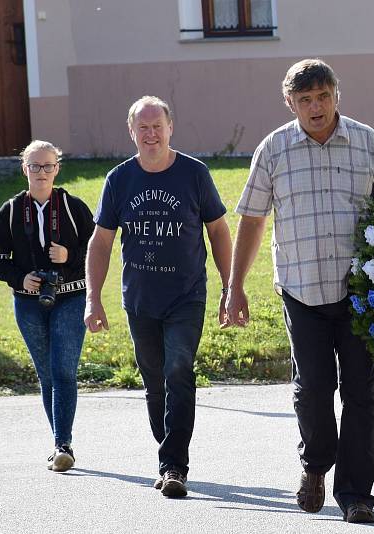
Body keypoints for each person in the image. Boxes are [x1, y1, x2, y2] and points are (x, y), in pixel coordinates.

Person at [224, 59, 374, 524]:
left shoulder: (366, 142)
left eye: (322, 97)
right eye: (304, 100)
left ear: (337, 94)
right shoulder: (274, 148)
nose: (315, 107)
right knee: (313, 389)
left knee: (360, 392)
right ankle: (316, 465)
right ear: (290, 102)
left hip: (360, 291)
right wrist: (235, 286)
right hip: (301, 289)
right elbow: (253, 219)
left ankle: (356, 494)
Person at [84, 96, 232, 498]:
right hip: (140, 300)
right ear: (132, 132)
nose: (151, 134)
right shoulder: (119, 180)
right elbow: (100, 243)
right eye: (143, 128)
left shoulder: (194, 174)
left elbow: (219, 231)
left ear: (170, 128)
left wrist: (229, 286)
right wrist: (92, 298)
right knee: (154, 380)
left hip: (186, 296)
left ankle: (174, 466)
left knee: (178, 370)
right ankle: (168, 448)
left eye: (157, 126)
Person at [0, 140, 94, 472]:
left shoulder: (74, 207)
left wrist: (69, 257)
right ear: (24, 168)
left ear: (57, 168)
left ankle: (63, 444)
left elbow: (98, 249)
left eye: (48, 166)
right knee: (46, 374)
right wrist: (21, 279)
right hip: (28, 304)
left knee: (63, 371)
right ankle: (58, 442)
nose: (42, 172)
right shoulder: (10, 210)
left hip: (71, 297)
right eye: (35, 166)